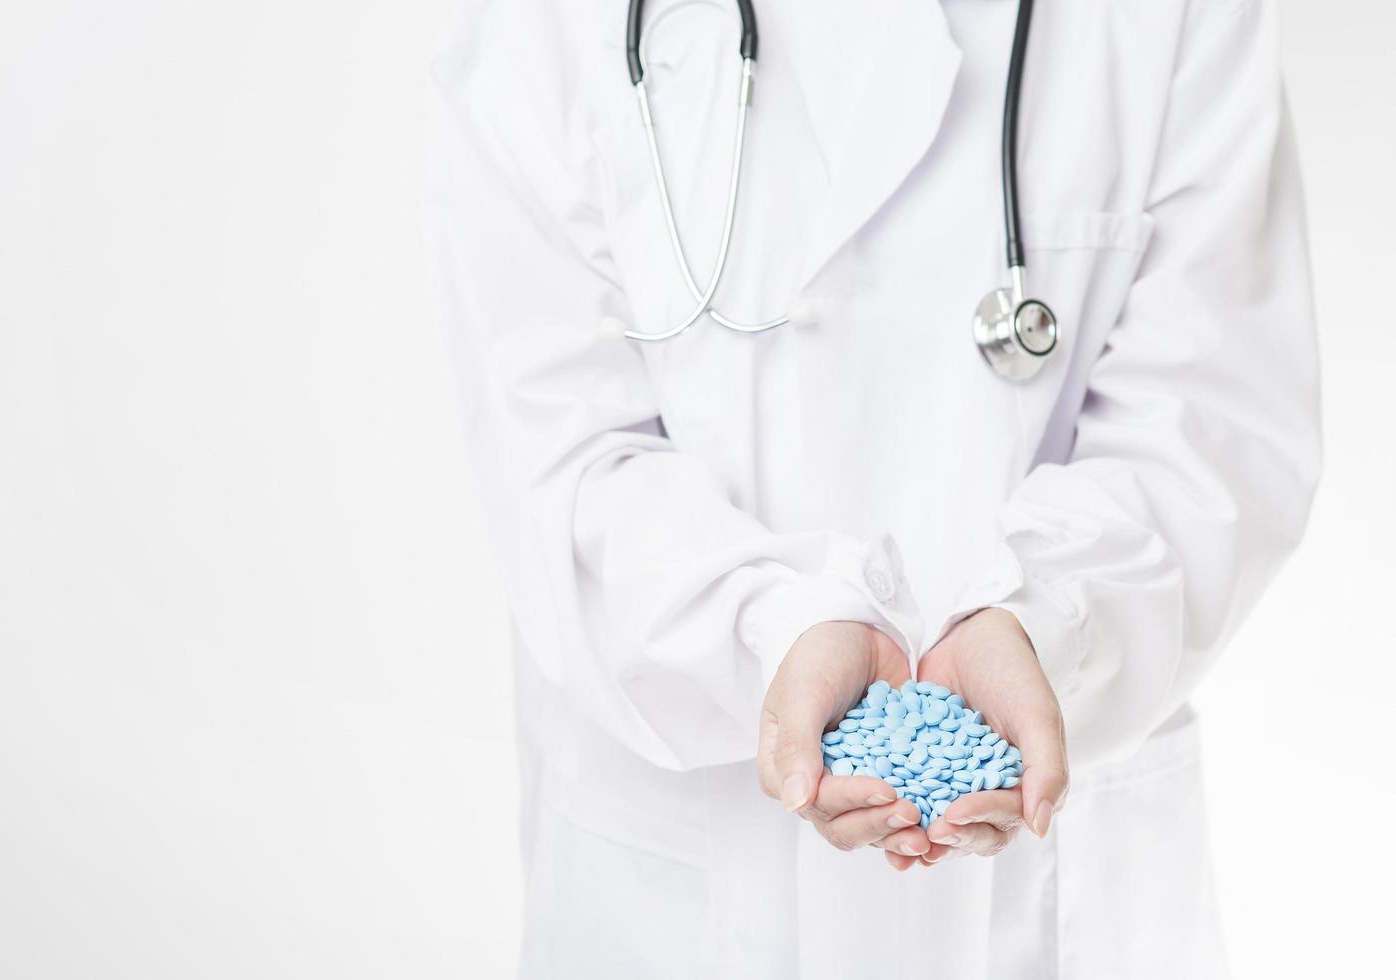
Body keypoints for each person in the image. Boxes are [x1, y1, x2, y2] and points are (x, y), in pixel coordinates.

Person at [424, 0, 1320, 976]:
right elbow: (562, 449)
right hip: (678, 893)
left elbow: (1211, 423)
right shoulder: (535, 23)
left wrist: (1041, 618)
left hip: (1050, 895)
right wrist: (769, 626)